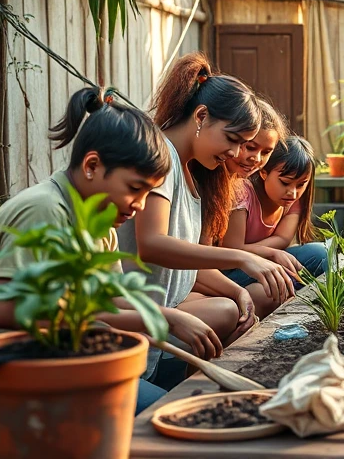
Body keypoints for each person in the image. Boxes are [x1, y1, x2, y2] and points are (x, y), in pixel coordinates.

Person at [0, 88, 218, 449]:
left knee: (175, 412)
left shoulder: (99, 223)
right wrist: (162, 317)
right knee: (165, 424)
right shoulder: (44, 211)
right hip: (7, 400)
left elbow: (110, 299)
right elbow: (9, 312)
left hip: (63, 371)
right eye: (135, 189)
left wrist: (163, 314)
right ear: (92, 166)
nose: (140, 205)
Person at [117, 53, 298, 389]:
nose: (234, 154)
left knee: (232, 310)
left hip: (156, 316)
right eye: (232, 141)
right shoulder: (161, 157)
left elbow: (184, 261)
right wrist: (243, 256)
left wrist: (236, 291)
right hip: (125, 321)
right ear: (201, 117)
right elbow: (153, 245)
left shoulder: (192, 170)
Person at [222, 136, 329, 317]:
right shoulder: (243, 193)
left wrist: (273, 254)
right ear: (264, 172)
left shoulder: (294, 196)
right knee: (268, 290)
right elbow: (233, 249)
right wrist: (271, 253)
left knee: (322, 253)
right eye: (285, 182)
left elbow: (283, 239)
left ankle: (287, 286)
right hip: (235, 268)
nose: (293, 192)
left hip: (266, 261)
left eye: (301, 184)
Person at [224, 94, 284, 180]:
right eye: (250, 147)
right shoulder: (199, 184)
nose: (257, 159)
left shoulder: (247, 189)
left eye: (265, 152)